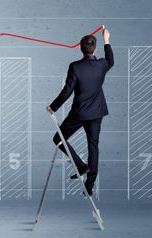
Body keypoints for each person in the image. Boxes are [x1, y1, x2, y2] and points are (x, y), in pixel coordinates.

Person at [46, 27, 113, 196]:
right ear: (94, 49)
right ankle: (89, 186)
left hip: (80, 113)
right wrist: (107, 40)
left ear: (80, 48)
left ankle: (81, 165)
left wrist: (53, 107)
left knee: (58, 139)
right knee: (93, 148)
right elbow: (110, 60)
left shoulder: (75, 67)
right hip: (97, 113)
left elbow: (67, 91)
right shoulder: (102, 65)